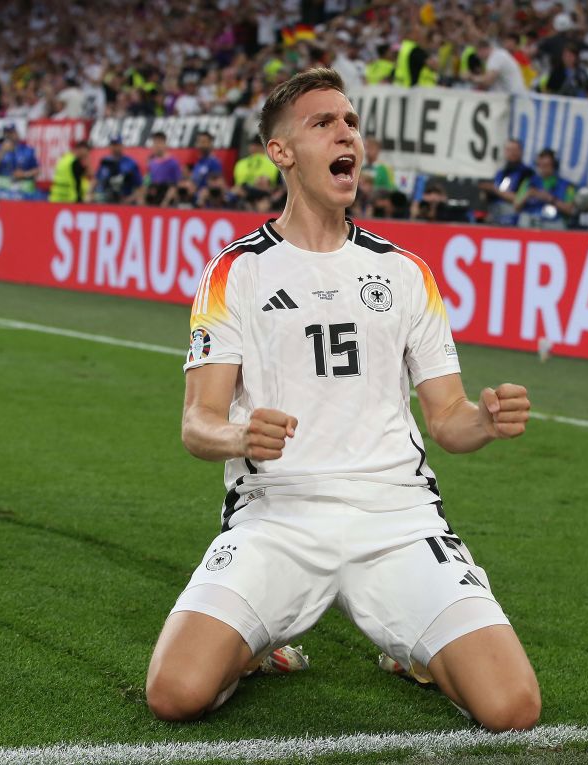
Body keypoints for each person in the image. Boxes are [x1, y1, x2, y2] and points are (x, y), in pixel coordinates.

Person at [144, 67, 540, 732]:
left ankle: (417, 648)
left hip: (397, 520)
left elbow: (446, 418)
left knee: (513, 707)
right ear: (282, 152)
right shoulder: (234, 273)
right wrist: (239, 437)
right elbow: (196, 422)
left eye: (351, 121)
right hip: (277, 518)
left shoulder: (406, 271)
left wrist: (486, 420)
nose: (345, 132)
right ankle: (255, 649)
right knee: (174, 693)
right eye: (323, 122)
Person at [513, 148, 575, 229]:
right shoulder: (528, 182)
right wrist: (527, 195)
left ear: (554, 165)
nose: (542, 168)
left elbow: (570, 210)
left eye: (546, 165)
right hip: (530, 220)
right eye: (540, 165)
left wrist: (550, 199)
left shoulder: (567, 186)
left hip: (553, 222)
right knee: (523, 219)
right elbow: (516, 207)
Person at [479, 138, 533, 227]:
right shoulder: (500, 172)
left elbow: (519, 199)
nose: (512, 153)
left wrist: (494, 189)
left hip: (514, 218)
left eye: (515, 150)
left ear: (521, 151)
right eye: (509, 150)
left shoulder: (527, 173)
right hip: (494, 215)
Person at [0, 123, 39, 199]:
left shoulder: (27, 150)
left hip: (21, 188)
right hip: (2, 189)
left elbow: (37, 170)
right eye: (7, 133)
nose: (9, 136)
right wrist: (2, 152)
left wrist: (24, 174)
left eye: (11, 133)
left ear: (17, 134)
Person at [95, 135, 142, 205]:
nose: (114, 148)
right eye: (112, 145)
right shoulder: (105, 162)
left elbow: (139, 186)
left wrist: (130, 199)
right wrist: (89, 193)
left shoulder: (130, 163)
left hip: (123, 201)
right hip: (104, 200)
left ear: (122, 146)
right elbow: (96, 179)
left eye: (117, 145)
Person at [143, 131, 184, 206]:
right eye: (155, 143)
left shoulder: (173, 162)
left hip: (167, 201)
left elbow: (177, 184)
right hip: (153, 198)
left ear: (165, 144)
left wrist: (166, 201)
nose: (157, 145)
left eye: (159, 142)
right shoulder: (151, 162)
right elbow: (147, 181)